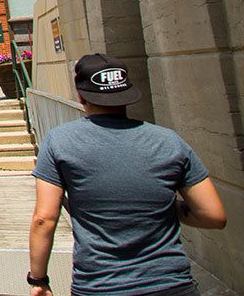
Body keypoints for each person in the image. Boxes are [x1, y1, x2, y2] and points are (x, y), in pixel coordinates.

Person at [29, 54, 226, 296]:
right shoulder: (169, 141)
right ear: (127, 94)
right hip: (172, 285)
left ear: (81, 96)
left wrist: (38, 279)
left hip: (100, 286)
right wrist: (168, 207)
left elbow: (44, 218)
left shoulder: (59, 142)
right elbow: (214, 216)